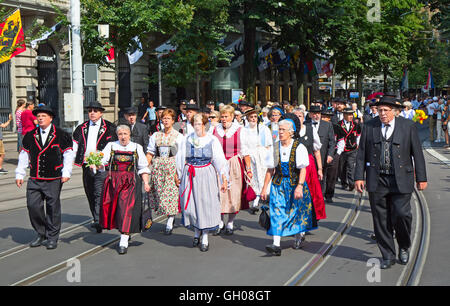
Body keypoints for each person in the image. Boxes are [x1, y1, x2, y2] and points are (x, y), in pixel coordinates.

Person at [355, 95, 428, 269]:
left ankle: (404, 245)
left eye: (386, 110)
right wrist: (359, 176)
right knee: (380, 219)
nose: (382, 114)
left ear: (395, 112)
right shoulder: (369, 126)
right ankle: (388, 254)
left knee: (402, 214)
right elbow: (361, 153)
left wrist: (422, 177)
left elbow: (417, 153)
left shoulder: (408, 126)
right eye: (380, 110)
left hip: (401, 178)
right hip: (377, 179)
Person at [15, 105, 74, 250]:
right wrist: (20, 173)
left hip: (53, 178)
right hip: (35, 178)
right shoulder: (30, 135)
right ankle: (41, 233)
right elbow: (24, 155)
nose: (40, 118)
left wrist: (66, 172)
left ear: (51, 118)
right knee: (32, 205)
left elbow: (68, 154)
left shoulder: (61, 134)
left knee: (53, 207)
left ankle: (52, 237)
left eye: (43, 116)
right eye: (38, 116)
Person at [261, 119, 316, 256]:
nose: (280, 132)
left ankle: (298, 237)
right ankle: (276, 244)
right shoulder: (275, 147)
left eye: (283, 130)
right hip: (278, 184)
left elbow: (303, 169)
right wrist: (264, 188)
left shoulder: (299, 147)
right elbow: (270, 170)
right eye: (279, 130)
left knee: (295, 212)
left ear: (291, 133)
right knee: (277, 211)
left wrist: (299, 186)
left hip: (294, 184)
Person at [176, 113, 228, 252]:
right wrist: (179, 174)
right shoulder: (187, 139)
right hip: (190, 173)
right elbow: (180, 158)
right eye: (195, 123)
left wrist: (224, 178)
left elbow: (219, 160)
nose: (197, 126)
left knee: (205, 204)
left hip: (206, 174)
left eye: (199, 123)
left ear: (205, 125)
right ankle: (196, 231)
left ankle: (204, 235)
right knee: (190, 206)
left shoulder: (212, 140)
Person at [95, 125, 150, 254]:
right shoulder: (111, 146)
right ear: (117, 135)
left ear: (130, 134)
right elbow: (102, 161)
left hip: (130, 182)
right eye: (120, 134)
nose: (123, 136)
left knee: (126, 209)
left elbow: (142, 167)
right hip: (113, 182)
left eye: (125, 133)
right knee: (117, 209)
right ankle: (124, 231)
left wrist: (146, 182)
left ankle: (123, 240)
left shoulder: (137, 147)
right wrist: (97, 163)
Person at [72, 101, 117, 233]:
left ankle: (99, 220)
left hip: (102, 166)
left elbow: (114, 146)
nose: (92, 113)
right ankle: (96, 216)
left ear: (101, 113)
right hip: (86, 165)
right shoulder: (81, 128)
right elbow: (74, 145)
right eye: (90, 110)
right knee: (90, 192)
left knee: (100, 192)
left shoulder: (110, 127)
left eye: (95, 111)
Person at [212, 105, 252, 235]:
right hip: (218, 164)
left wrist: (249, 169)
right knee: (218, 193)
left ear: (232, 117)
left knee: (233, 194)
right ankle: (220, 221)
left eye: (226, 116)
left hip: (234, 163)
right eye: (222, 116)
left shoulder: (240, 130)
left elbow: (245, 152)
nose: (224, 119)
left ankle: (230, 222)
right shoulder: (214, 130)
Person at [146, 108, 183, 235]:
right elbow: (150, 152)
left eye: (168, 119)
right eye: (164, 118)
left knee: (171, 193)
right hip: (158, 166)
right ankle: (166, 215)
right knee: (160, 193)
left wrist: (179, 172)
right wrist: (145, 167)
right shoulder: (156, 135)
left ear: (173, 121)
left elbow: (181, 155)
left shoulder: (179, 136)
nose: (165, 121)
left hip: (172, 167)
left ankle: (170, 219)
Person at [241, 108, 273, 214]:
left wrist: (266, 155)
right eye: (251, 117)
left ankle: (260, 198)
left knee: (263, 177)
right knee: (253, 178)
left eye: (255, 117)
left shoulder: (263, 129)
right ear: (247, 118)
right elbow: (243, 145)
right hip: (250, 157)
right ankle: (255, 198)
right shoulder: (244, 130)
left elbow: (269, 144)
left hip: (262, 157)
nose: (253, 119)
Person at [309, 105, 336, 196]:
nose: (316, 116)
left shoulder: (328, 125)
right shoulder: (306, 125)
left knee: (321, 178)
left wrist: (330, 155)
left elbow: (332, 141)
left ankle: (320, 196)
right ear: (310, 115)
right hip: (309, 157)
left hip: (323, 156)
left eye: (318, 113)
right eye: (314, 114)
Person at [336, 107, 362, 191]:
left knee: (351, 167)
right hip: (342, 150)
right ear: (344, 115)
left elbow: (358, 135)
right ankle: (344, 182)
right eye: (349, 115)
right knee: (342, 167)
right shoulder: (338, 124)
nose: (351, 116)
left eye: (352, 114)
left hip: (352, 149)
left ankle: (351, 184)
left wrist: (357, 144)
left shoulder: (356, 125)